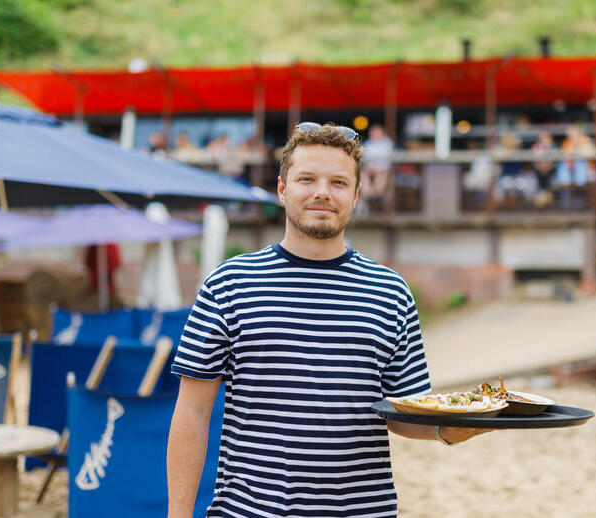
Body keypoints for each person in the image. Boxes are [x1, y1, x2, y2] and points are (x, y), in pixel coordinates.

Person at [167, 122, 490, 518]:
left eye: (338, 182)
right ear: (282, 190)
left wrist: (458, 425)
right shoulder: (229, 284)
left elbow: (405, 413)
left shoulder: (390, 292)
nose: (322, 192)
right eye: (307, 179)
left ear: (355, 197)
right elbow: (192, 413)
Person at [361, 124, 394, 205]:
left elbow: (387, 160)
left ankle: (377, 194)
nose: (375, 134)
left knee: (381, 175)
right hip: (370, 169)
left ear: (382, 133)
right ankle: (368, 194)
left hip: (383, 169)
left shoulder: (387, 143)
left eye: (377, 132)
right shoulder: (368, 143)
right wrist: (370, 168)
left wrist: (377, 169)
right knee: (362, 174)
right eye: (373, 132)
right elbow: (366, 158)